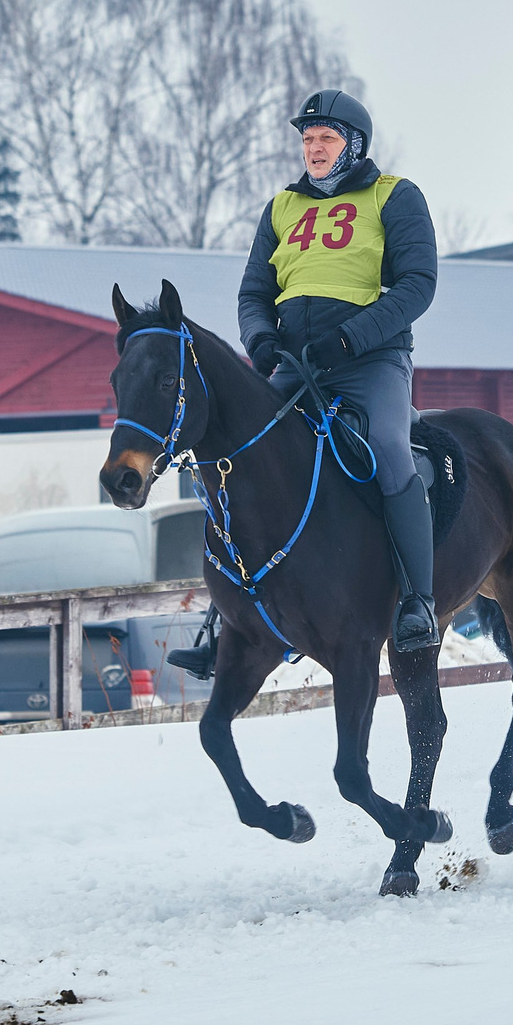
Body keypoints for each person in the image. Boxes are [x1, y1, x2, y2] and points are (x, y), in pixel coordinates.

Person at [167, 89, 440, 679]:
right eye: (308, 139)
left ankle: (419, 603)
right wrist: (260, 339)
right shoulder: (281, 207)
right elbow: (253, 294)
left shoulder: (395, 196)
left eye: (328, 139)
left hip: (370, 363)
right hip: (294, 364)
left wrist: (352, 339)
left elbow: (418, 284)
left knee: (391, 450)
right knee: (238, 458)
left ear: (355, 146)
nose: (315, 149)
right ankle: (227, 623)